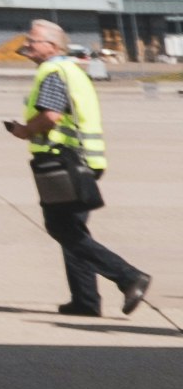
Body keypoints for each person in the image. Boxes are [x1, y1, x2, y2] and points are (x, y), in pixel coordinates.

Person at [9, 21, 157, 320]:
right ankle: (85, 300)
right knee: (73, 231)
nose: (27, 44)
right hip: (83, 161)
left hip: (63, 162)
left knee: (61, 228)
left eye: (33, 40)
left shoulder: (53, 72)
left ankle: (128, 277)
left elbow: (50, 116)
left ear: (52, 46)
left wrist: (25, 131)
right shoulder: (72, 70)